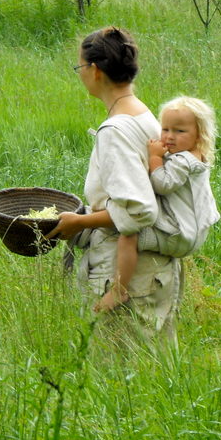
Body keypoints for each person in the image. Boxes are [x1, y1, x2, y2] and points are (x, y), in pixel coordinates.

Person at [47, 26, 182, 346]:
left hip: (125, 274)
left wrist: (80, 222)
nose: (80, 74)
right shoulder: (143, 114)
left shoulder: (116, 130)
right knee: (154, 371)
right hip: (150, 270)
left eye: (80, 67)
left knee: (118, 377)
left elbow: (138, 210)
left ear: (94, 71)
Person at [93, 96, 221, 313]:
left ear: (199, 136)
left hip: (179, 233)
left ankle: (119, 289)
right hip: (189, 229)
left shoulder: (184, 161)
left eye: (180, 131)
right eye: (165, 129)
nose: (170, 137)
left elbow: (163, 184)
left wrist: (154, 158)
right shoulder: (192, 155)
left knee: (128, 233)